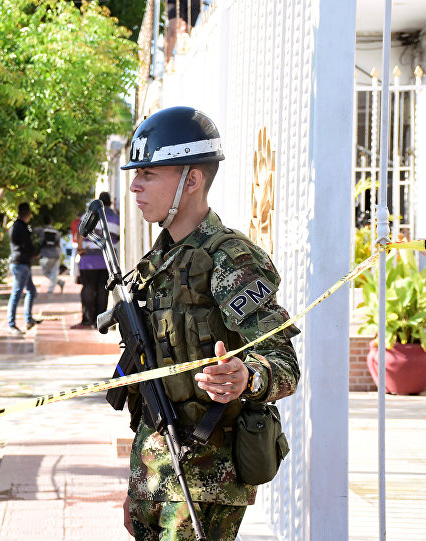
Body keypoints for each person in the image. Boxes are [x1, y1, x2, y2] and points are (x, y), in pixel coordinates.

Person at [120, 106, 300, 540]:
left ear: (192, 179)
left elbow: (283, 363)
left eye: (149, 173)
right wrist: (139, 487)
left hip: (206, 480)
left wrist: (247, 377)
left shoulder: (230, 259)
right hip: (156, 473)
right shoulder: (159, 261)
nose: (135, 185)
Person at [72, 193, 119, 329]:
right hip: (106, 260)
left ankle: (87, 320)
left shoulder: (91, 215)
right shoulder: (116, 218)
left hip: (88, 260)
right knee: (103, 290)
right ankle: (101, 322)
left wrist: (80, 249)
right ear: (110, 203)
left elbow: (80, 233)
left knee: (88, 288)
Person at [6, 202, 41, 335]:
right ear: (27, 214)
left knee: (31, 290)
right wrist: (34, 251)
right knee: (17, 293)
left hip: (23, 263)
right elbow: (24, 245)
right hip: (20, 263)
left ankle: (28, 319)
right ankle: (11, 324)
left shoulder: (20, 226)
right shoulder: (19, 227)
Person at [38, 215, 65, 294]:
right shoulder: (55, 231)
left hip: (47, 254)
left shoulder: (42, 231)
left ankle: (51, 289)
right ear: (51, 222)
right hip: (56, 253)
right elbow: (58, 243)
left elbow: (40, 242)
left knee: (45, 272)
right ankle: (58, 283)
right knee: (54, 272)